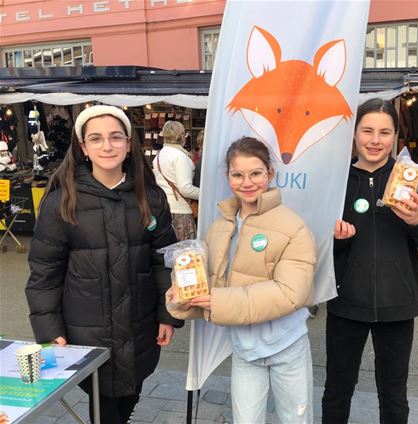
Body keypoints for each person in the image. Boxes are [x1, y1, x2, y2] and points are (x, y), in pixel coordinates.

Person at [25, 105, 184, 424]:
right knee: (105, 410)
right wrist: (50, 331)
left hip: (140, 327)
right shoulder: (62, 203)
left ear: (128, 144)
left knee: (128, 399)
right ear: (83, 147)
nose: (107, 146)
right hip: (86, 332)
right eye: (95, 138)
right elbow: (45, 274)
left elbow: (163, 261)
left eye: (115, 137)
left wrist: (168, 315)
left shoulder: (150, 198)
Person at [167, 136, 317, 423]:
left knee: (296, 419)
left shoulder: (294, 226)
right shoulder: (219, 227)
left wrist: (217, 301)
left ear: (270, 174)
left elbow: (290, 293)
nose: (247, 182)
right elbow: (209, 285)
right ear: (228, 177)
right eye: (238, 174)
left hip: (287, 345)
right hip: (244, 348)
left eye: (256, 173)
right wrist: (182, 298)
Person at [322, 98, 418, 424]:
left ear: (395, 137)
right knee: (337, 388)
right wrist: (333, 241)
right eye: (367, 131)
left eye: (384, 132)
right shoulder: (337, 181)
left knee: (393, 394)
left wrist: (416, 220)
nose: (375, 140)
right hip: (345, 304)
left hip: (397, 307)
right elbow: (313, 252)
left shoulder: (410, 179)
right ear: (355, 134)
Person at [153, 120, 199, 239]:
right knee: (185, 253)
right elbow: (185, 189)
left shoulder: (159, 156)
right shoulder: (180, 157)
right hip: (181, 213)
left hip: (164, 210)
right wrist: (205, 195)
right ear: (182, 136)